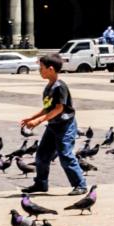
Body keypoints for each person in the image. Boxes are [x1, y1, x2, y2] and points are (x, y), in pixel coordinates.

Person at [20, 52, 87, 195]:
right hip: (53, 125)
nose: (39, 71)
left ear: (50, 69)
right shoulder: (49, 86)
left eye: (41, 68)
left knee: (65, 155)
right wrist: (32, 117)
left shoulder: (59, 87)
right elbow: (47, 108)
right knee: (42, 154)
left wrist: (38, 121)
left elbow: (59, 109)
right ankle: (41, 184)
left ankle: (80, 185)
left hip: (65, 126)